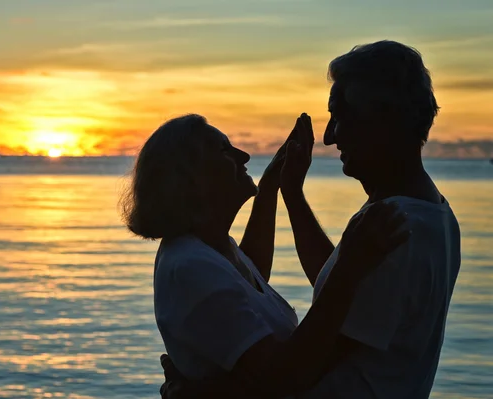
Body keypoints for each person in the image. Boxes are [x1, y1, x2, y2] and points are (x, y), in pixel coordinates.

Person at [159, 40, 462, 399]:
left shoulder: (396, 228)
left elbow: (295, 374)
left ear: (385, 120)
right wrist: (291, 193)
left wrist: (199, 393)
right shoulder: (428, 213)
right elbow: (341, 287)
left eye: (341, 116)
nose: (330, 136)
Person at [122, 113, 409, 398]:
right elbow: (282, 376)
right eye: (225, 150)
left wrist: (272, 187)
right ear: (190, 178)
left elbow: (247, 284)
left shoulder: (211, 248)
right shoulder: (191, 267)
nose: (244, 156)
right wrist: (349, 267)